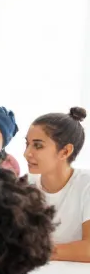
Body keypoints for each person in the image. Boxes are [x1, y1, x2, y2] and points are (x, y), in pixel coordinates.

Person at [25, 108, 90, 262]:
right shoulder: (26, 185)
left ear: (65, 151)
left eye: (38, 145)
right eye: (27, 144)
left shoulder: (86, 185)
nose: (27, 153)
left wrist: (38, 251)